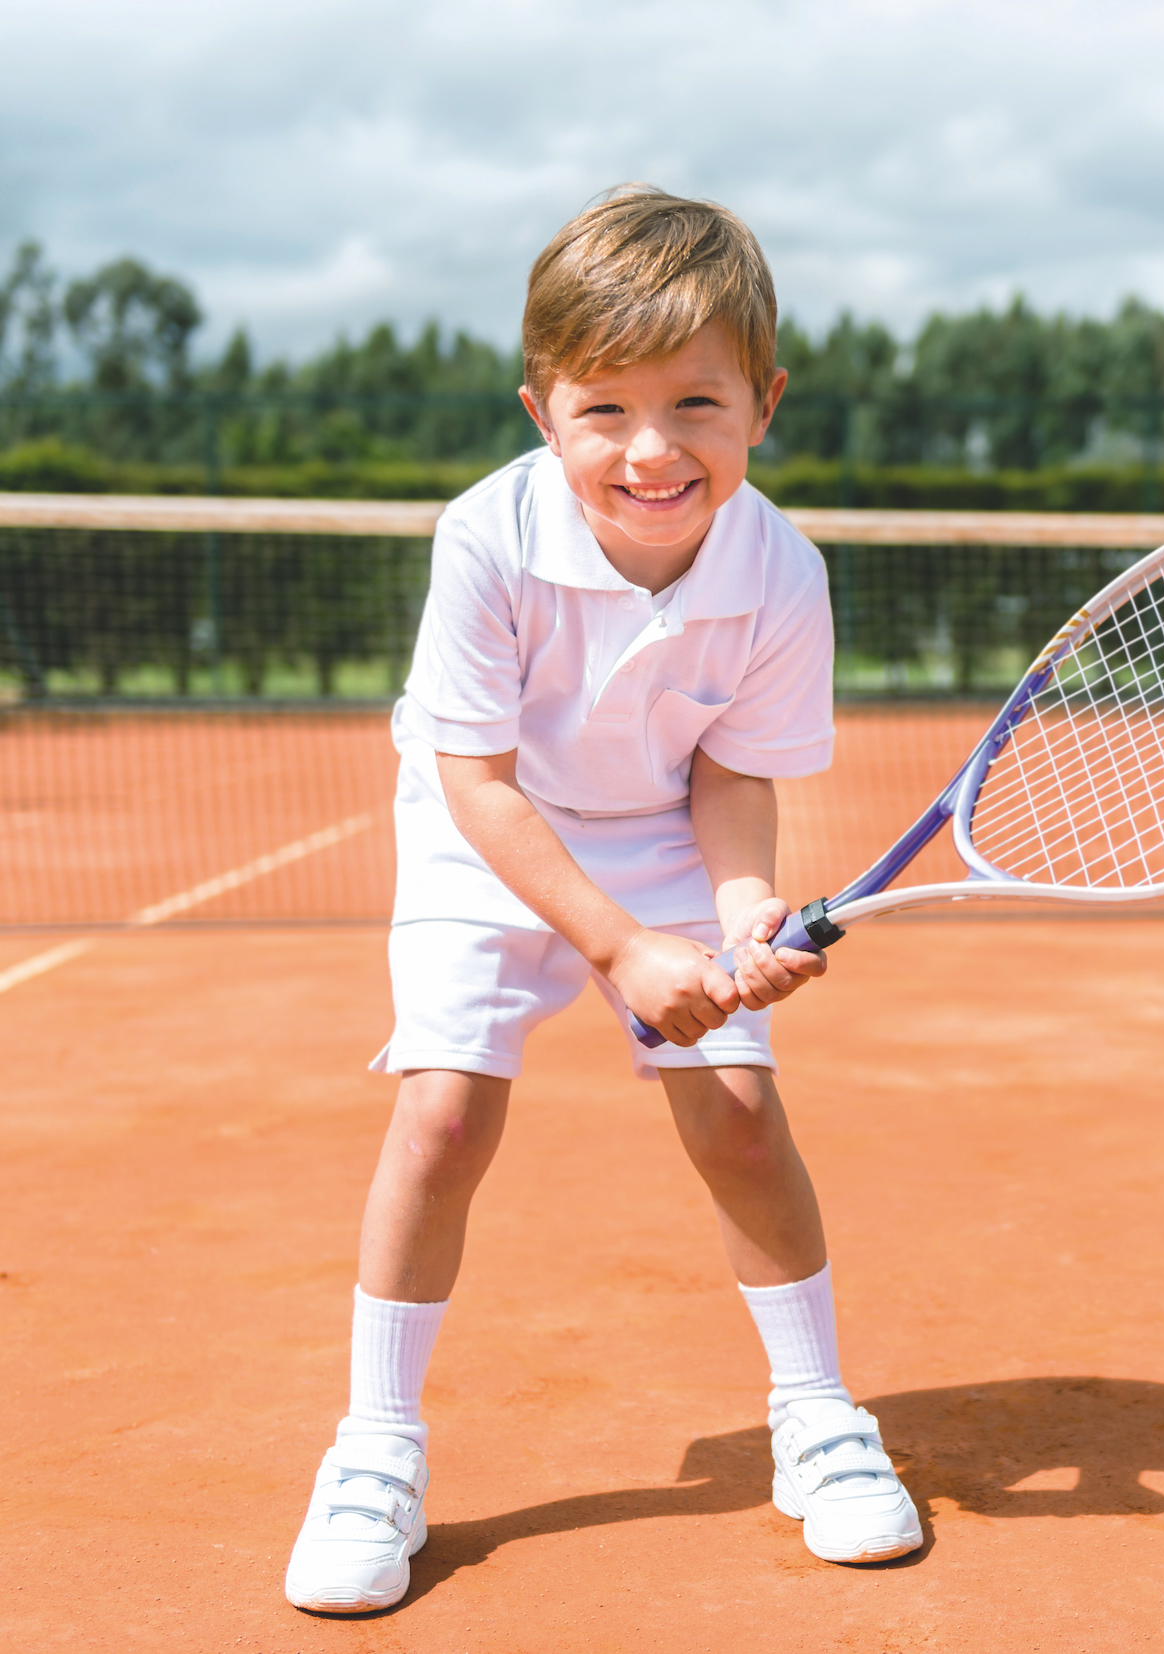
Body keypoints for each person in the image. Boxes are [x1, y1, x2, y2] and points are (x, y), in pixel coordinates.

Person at [284, 187, 921, 1615]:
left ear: (764, 402)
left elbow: (733, 778)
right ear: (539, 410)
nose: (651, 449)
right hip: (481, 822)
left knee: (742, 1116)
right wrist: (623, 946)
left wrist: (743, 907)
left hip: (659, 828)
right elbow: (481, 780)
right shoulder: (488, 539)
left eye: (696, 402)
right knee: (444, 1111)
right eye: (605, 410)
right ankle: (373, 1451)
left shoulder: (782, 575)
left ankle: (815, 1420)